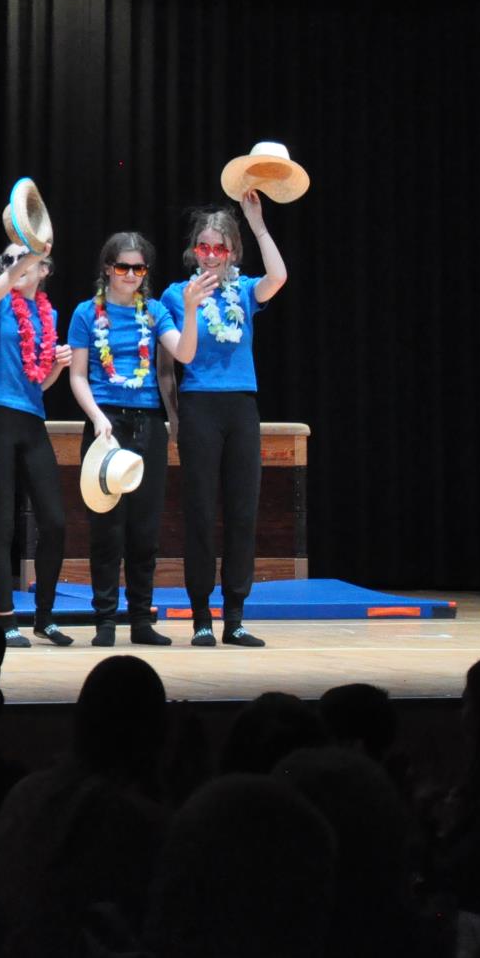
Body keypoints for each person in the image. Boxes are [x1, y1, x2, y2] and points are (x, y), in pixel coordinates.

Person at [66, 232, 212, 646]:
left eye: (139, 268)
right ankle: (105, 620)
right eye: (123, 267)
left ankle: (141, 621)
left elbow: (184, 354)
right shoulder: (86, 313)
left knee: (145, 530)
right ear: (107, 268)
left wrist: (189, 309)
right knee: (106, 528)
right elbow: (77, 375)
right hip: (105, 424)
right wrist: (97, 417)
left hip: (148, 424)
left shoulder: (156, 312)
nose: (130, 275)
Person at [162, 191, 287, 647]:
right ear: (194, 251)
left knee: (242, 511)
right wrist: (174, 416)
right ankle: (200, 616)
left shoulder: (245, 291)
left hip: (241, 407)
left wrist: (257, 223)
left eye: (220, 247)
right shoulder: (177, 294)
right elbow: (174, 361)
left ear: (232, 251)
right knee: (199, 512)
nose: (212, 255)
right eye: (204, 247)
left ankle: (234, 616)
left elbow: (279, 276)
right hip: (199, 405)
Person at [0, 241, 69, 646]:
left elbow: (38, 382)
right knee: (3, 521)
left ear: (44, 270)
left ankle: (44, 616)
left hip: (32, 417)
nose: (16, 264)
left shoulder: (49, 313)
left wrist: (57, 369)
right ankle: (5, 617)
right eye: (8, 259)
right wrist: (24, 257)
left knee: (55, 521)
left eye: (27, 259)